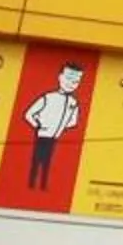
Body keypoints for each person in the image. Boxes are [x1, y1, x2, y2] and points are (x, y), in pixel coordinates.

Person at [23, 63, 86, 191]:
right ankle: (31, 184)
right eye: (68, 79)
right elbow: (29, 114)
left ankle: (42, 186)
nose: (71, 84)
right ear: (60, 77)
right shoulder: (48, 97)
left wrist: (61, 127)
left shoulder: (73, 102)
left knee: (47, 163)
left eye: (75, 81)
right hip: (42, 135)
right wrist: (40, 125)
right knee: (36, 161)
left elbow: (73, 121)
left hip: (54, 137)